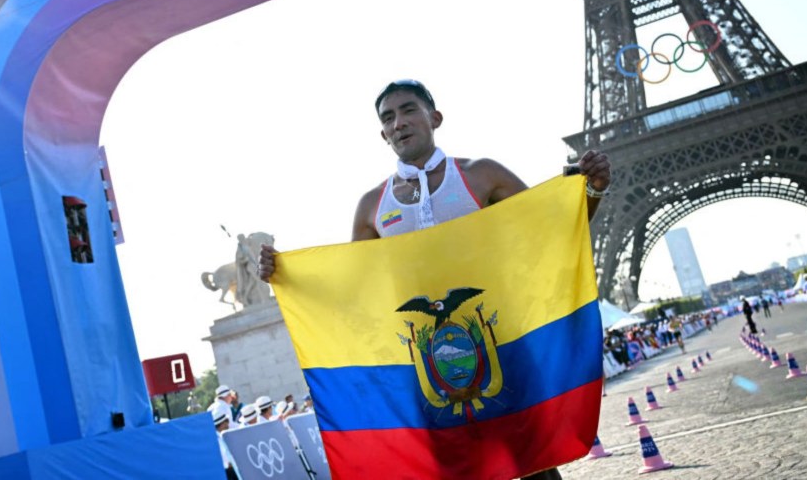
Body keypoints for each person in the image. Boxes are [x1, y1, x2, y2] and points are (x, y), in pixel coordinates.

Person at [258, 79, 611, 480]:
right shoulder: (372, 206)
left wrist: (594, 191)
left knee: (531, 464)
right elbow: (353, 291)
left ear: (435, 117)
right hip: (424, 363)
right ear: (382, 134)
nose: (399, 123)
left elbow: (552, 232)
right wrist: (285, 277)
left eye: (408, 110)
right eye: (388, 118)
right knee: (452, 470)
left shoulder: (481, 175)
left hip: (498, 343)